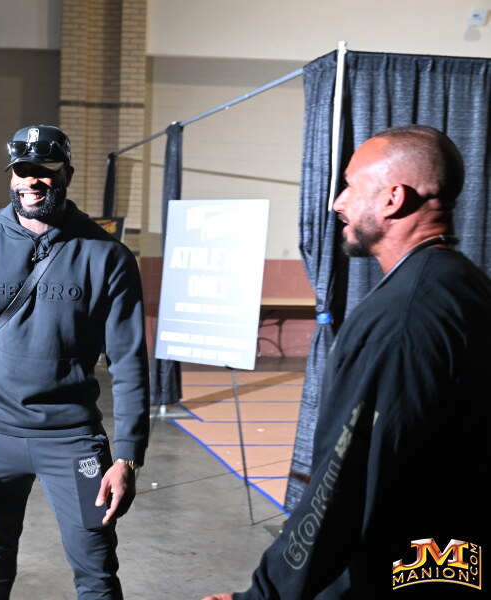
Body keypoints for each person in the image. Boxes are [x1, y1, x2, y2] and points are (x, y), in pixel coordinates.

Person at [203, 125, 491, 599]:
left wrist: (264, 597)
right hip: (451, 562)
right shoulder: (464, 285)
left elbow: (344, 482)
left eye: (352, 186)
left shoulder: (401, 319)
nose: (338, 202)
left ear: (393, 199)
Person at [0, 124, 150, 599]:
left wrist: (128, 456)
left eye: (44, 171)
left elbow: (129, 362)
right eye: (21, 170)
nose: (31, 181)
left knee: (96, 563)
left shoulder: (107, 256)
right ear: (11, 176)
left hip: (73, 439)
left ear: (66, 174)